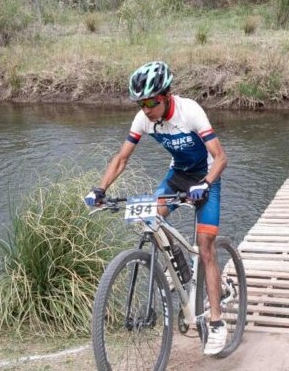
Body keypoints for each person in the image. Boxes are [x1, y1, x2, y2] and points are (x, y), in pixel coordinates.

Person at [84, 61, 229, 356]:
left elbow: (221, 157)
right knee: (150, 220)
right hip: (178, 176)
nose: (146, 109)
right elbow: (122, 158)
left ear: (167, 95)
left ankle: (216, 323)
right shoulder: (143, 120)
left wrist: (205, 183)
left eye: (151, 102)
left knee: (206, 245)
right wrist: (100, 189)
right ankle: (185, 273)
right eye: (141, 103)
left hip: (207, 177)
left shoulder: (190, 111)